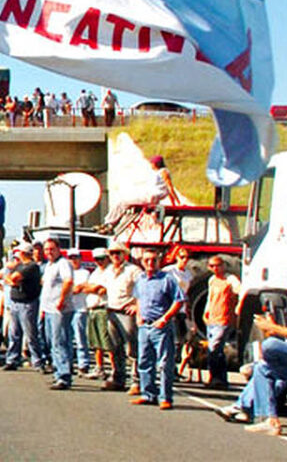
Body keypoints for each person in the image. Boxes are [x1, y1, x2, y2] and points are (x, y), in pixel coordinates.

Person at [216, 271, 287, 436]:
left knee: (270, 345)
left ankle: (250, 376)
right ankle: (269, 420)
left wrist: (272, 328)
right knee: (263, 368)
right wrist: (275, 327)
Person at [130, 247, 184, 410]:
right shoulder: (141, 279)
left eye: (153, 260)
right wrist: (138, 316)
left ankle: (165, 397)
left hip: (161, 327)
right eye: (146, 260)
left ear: (159, 261)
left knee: (164, 363)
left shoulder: (167, 279)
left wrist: (165, 318)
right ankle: (148, 394)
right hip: (144, 326)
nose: (150, 263)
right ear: (142, 262)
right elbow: (138, 299)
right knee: (144, 361)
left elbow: (179, 300)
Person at [99, 154, 180, 233]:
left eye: (152, 163)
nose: (150, 165)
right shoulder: (158, 173)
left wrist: (177, 203)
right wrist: (174, 203)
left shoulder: (163, 172)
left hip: (150, 197)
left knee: (122, 202)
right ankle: (110, 223)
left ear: (156, 164)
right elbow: (168, 190)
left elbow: (170, 188)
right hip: (150, 196)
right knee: (124, 204)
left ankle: (109, 224)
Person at [103, 242, 142, 392]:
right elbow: (102, 288)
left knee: (132, 347)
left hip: (126, 311)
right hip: (112, 310)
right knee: (114, 347)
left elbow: (142, 288)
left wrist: (136, 305)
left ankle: (136, 380)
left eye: (118, 253)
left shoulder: (133, 270)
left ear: (124, 254)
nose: (115, 256)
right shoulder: (108, 271)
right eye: (112, 253)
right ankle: (118, 377)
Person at [3, 243, 47, 371]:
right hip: (15, 302)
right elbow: (10, 279)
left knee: (31, 333)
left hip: (27, 303)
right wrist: (11, 279)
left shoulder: (31, 267)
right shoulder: (20, 266)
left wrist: (11, 279)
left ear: (23, 253)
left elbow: (13, 279)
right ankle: (12, 359)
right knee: (14, 333)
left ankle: (38, 361)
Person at [40, 239, 75, 390]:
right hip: (47, 309)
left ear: (59, 249)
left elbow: (68, 281)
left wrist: (62, 299)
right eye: (46, 249)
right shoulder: (49, 265)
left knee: (60, 341)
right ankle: (57, 372)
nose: (49, 252)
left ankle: (64, 376)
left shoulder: (63, 263)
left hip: (59, 310)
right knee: (51, 342)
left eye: (51, 249)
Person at [204, 255, 241, 388]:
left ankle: (217, 378)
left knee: (215, 348)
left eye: (218, 265)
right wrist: (206, 312)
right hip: (212, 318)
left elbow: (240, 291)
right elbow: (210, 297)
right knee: (214, 351)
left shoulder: (230, 279)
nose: (215, 268)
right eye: (212, 266)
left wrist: (238, 308)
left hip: (224, 318)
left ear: (224, 265)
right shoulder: (212, 280)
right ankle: (218, 378)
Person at [83, 248, 115, 380]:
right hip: (92, 308)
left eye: (102, 259)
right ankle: (99, 367)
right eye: (97, 259)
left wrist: (92, 288)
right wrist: (92, 288)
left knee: (108, 342)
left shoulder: (111, 272)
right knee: (96, 342)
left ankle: (114, 369)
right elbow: (87, 288)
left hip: (104, 307)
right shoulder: (95, 273)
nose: (99, 262)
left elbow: (101, 289)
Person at [69, 251, 92, 377]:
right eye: (71, 258)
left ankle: (83, 363)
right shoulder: (66, 272)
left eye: (76, 258)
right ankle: (69, 364)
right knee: (67, 338)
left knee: (80, 338)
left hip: (80, 308)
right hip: (67, 309)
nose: (73, 260)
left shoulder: (85, 273)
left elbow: (79, 288)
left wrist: (70, 289)